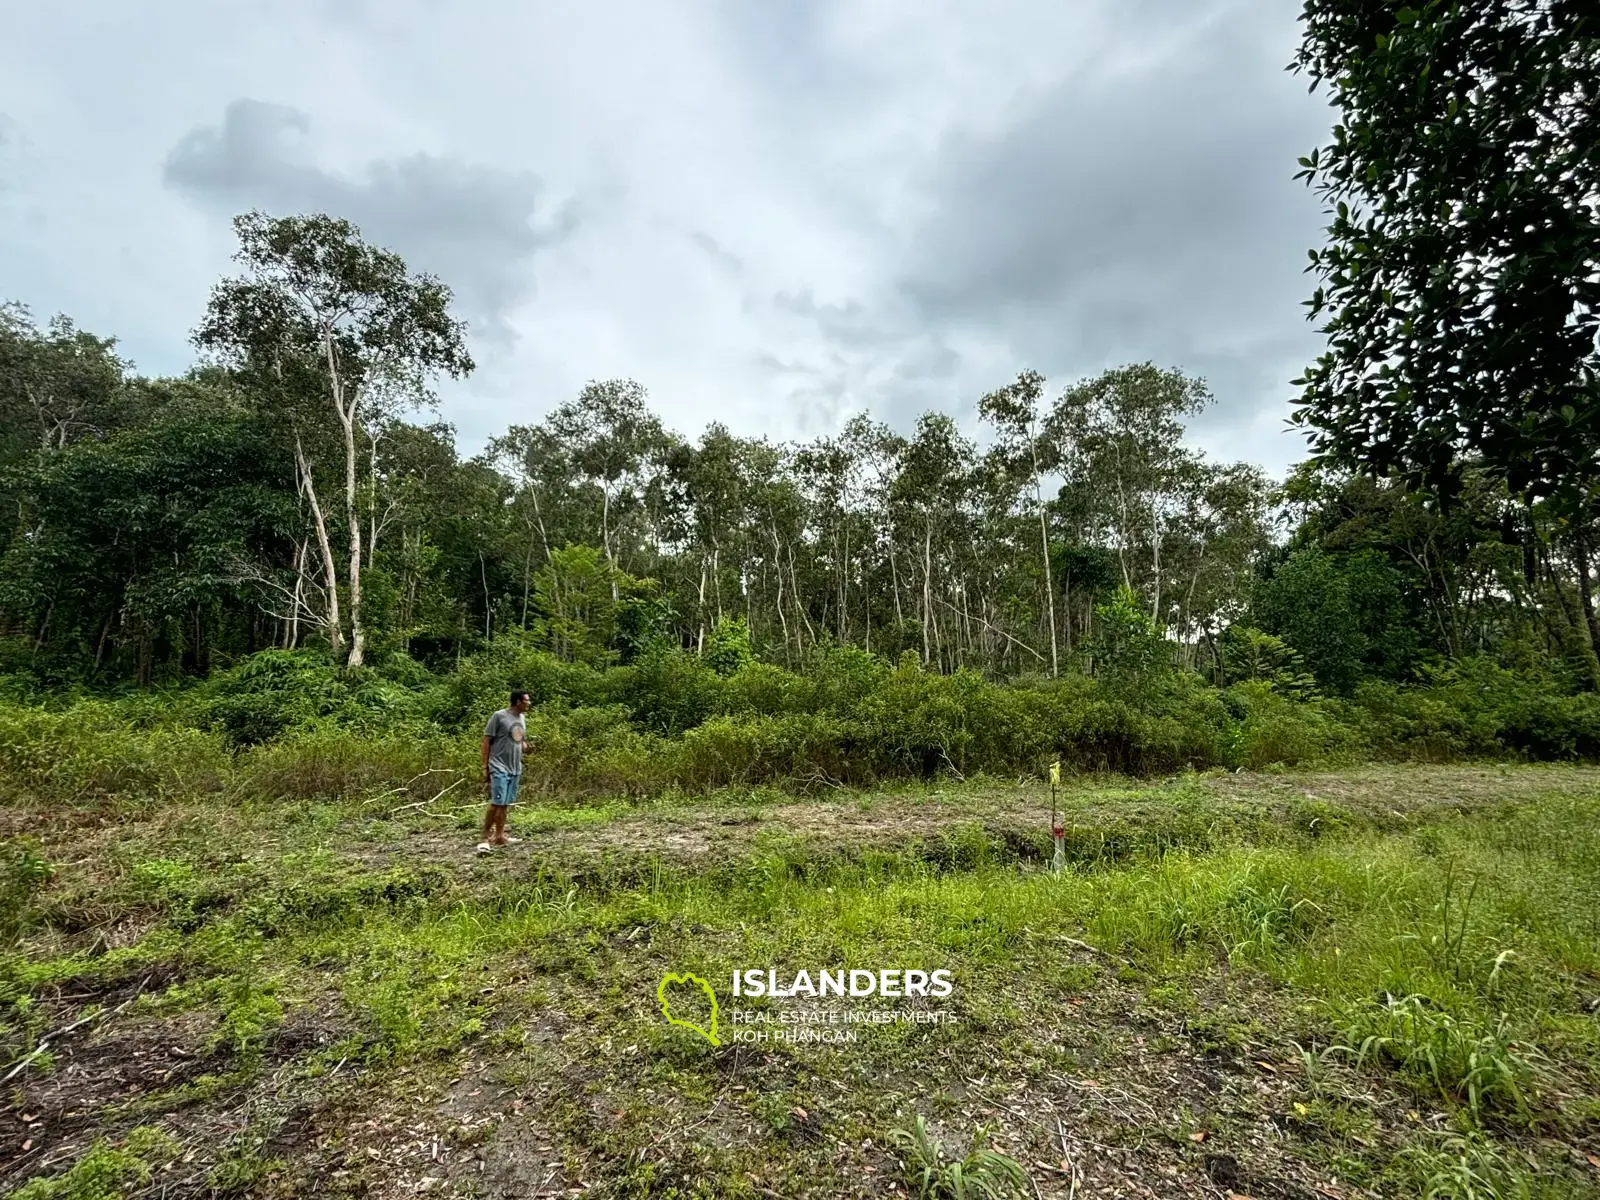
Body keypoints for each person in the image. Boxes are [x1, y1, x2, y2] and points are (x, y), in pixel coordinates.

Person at [478, 688, 531, 854]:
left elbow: (519, 740)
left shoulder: (522, 718)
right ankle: (484, 839)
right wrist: (485, 766)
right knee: (496, 803)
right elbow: (487, 740)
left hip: (515, 767)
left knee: (505, 803)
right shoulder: (499, 716)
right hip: (499, 765)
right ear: (517, 702)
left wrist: (526, 748)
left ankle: (499, 836)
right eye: (527, 700)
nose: (529, 703)